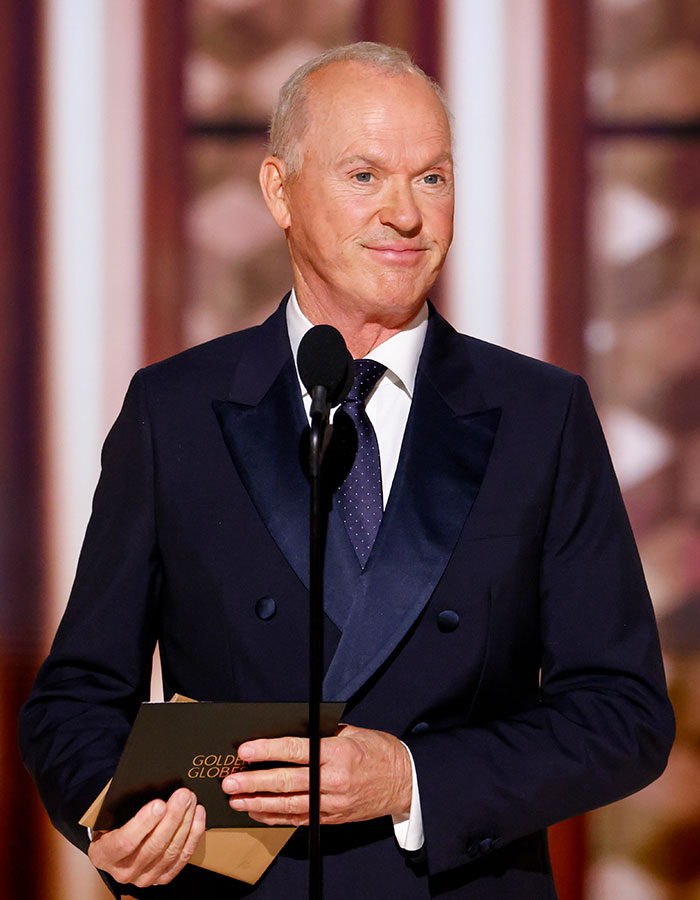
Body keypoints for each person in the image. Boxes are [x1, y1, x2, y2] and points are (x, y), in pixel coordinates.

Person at [20, 42, 674, 899]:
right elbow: (76, 697)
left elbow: (623, 714)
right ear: (279, 192)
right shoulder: (173, 412)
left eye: (432, 177)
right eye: (364, 176)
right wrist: (115, 823)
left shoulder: (541, 415)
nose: (405, 213)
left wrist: (410, 778)